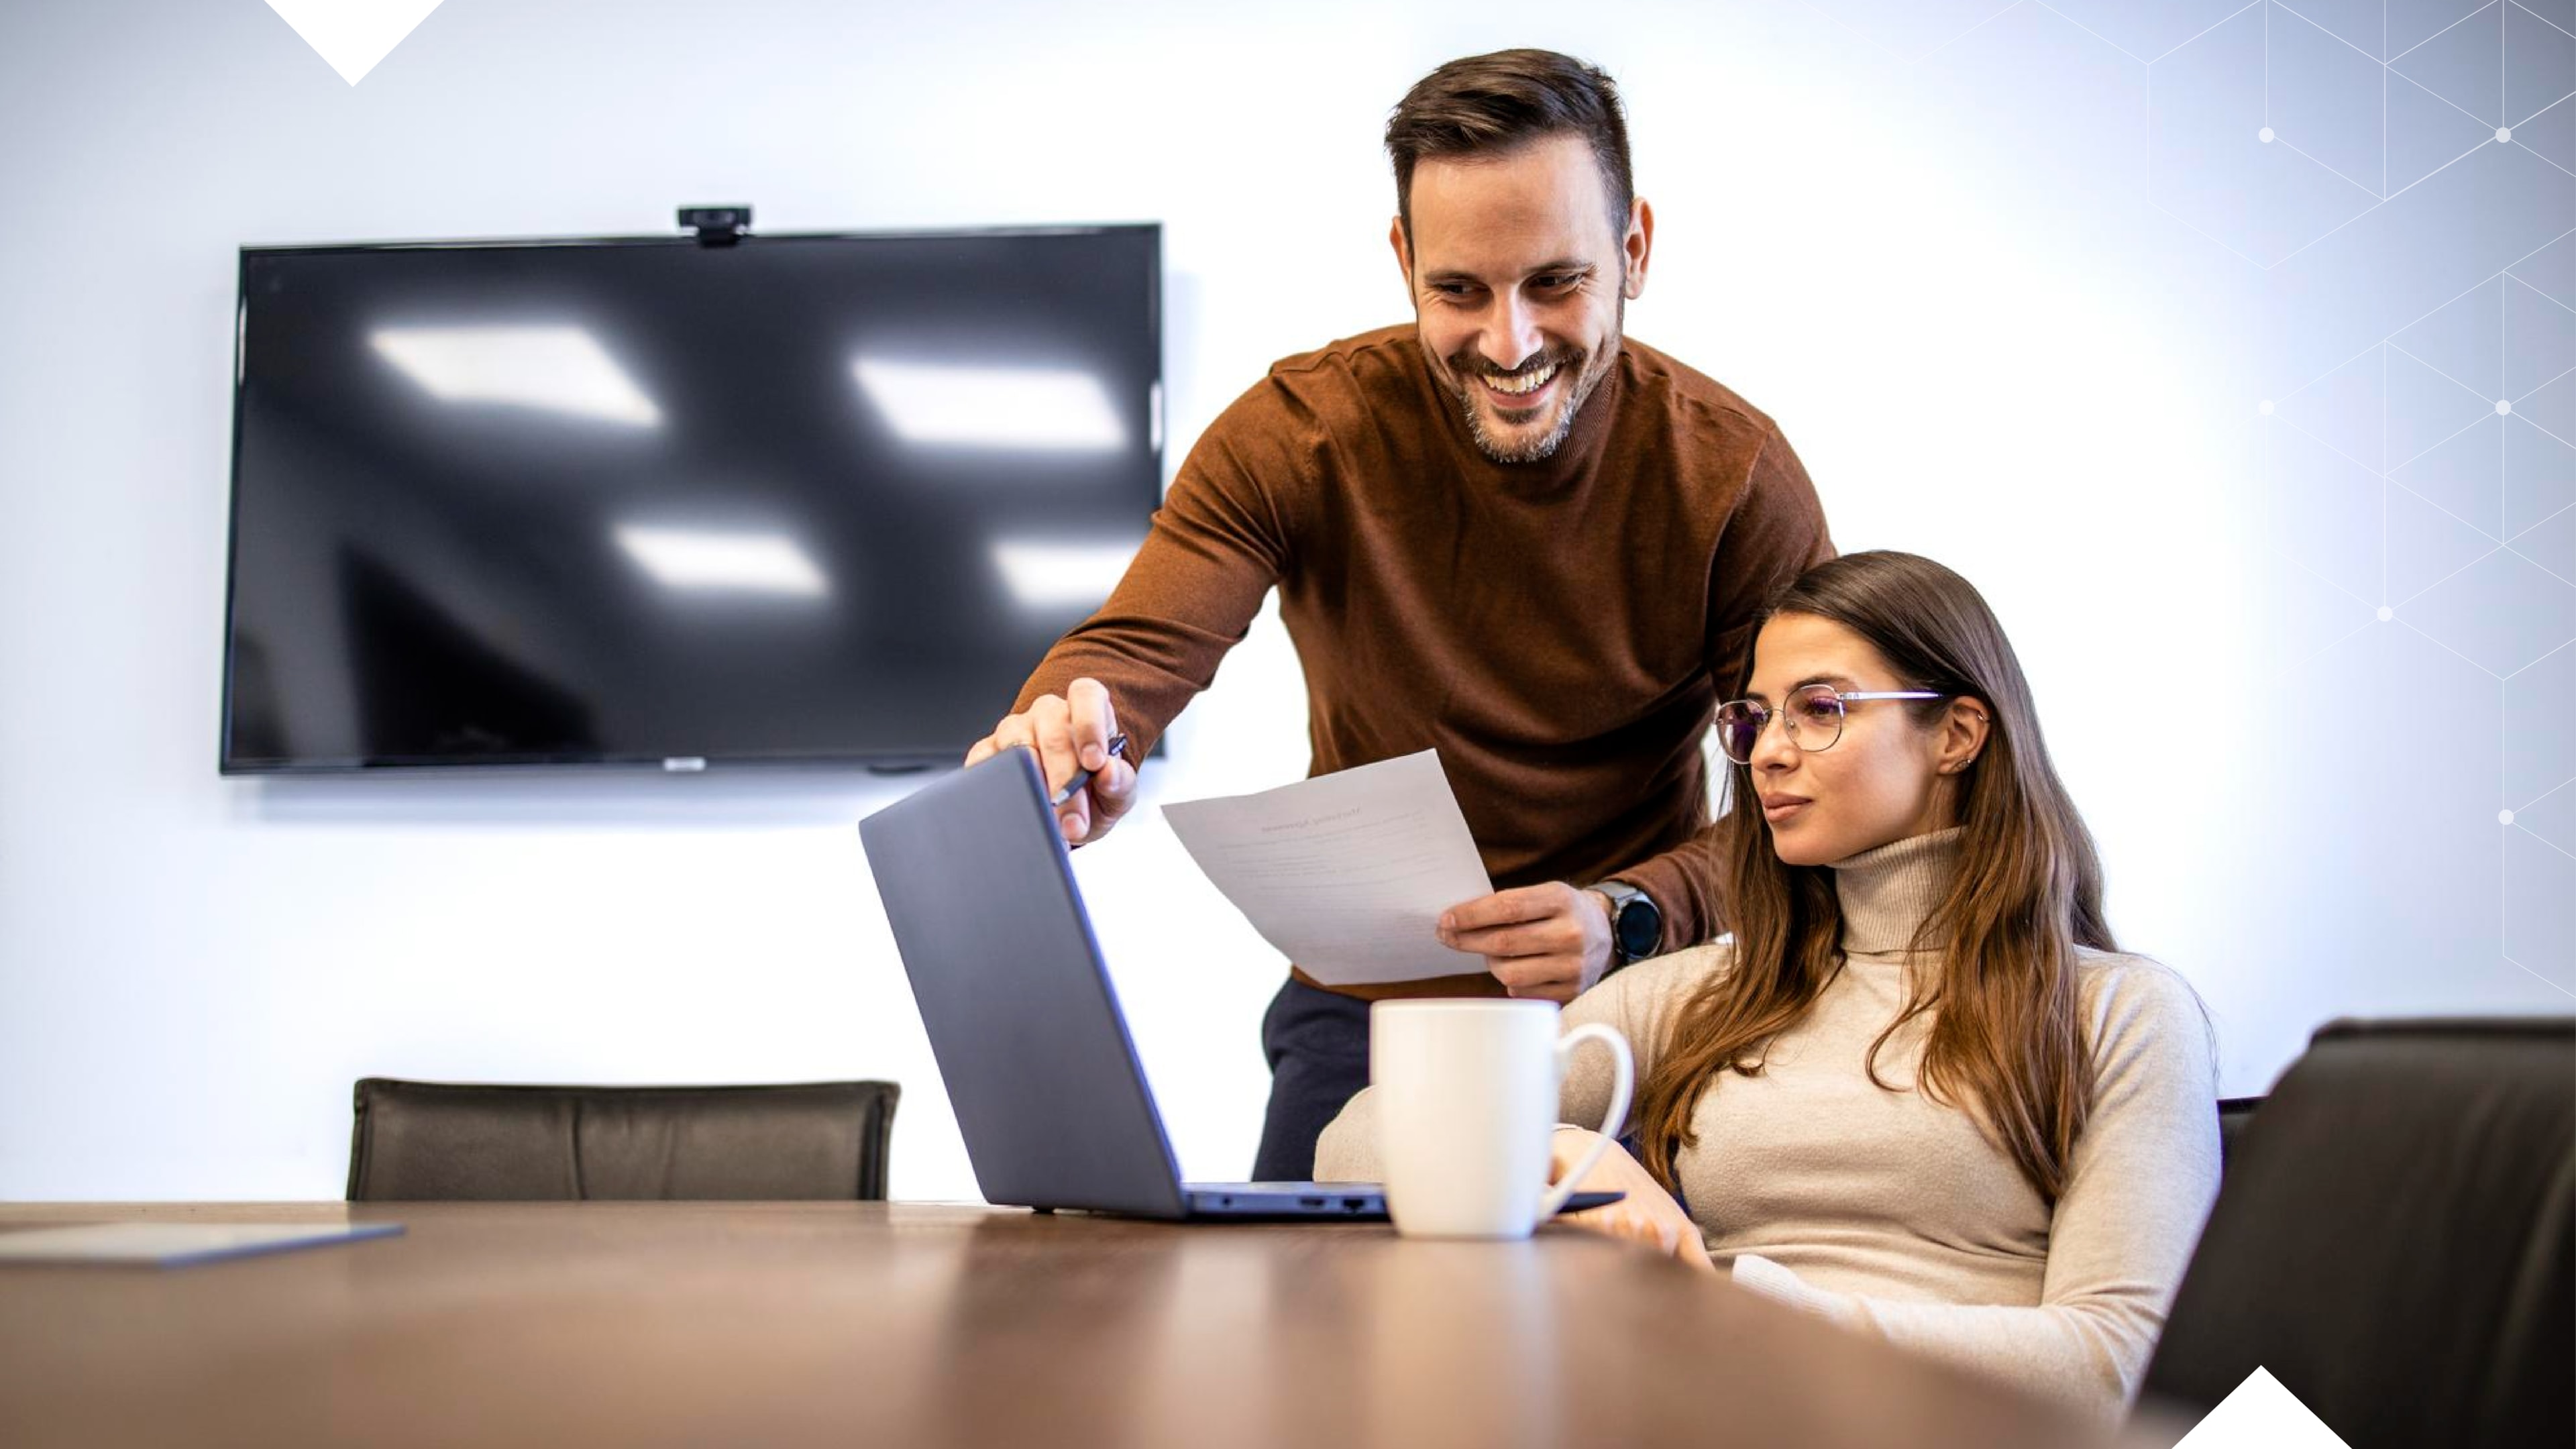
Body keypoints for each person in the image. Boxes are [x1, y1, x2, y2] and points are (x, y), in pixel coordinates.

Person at [963, 49, 1835, 1181]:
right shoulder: (1300, 434)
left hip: (1642, 1000)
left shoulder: (1733, 477)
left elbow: (1811, 802)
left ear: (1634, 253)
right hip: (1364, 1012)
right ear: (1403, 260)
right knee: (1295, 1334)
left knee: (1635, 1344)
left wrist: (1628, 912)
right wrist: (1068, 735)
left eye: (1558, 283)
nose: (1511, 344)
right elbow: (1134, 652)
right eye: (1460, 290)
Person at [1316, 551, 2220, 1428]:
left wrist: (1731, 1302)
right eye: (1755, 719)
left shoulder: (2122, 1013)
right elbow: (1348, 1146)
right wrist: (1557, 1151)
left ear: (1957, 735)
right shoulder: (1703, 995)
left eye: (1820, 708)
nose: (1770, 754)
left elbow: (2115, 1366)